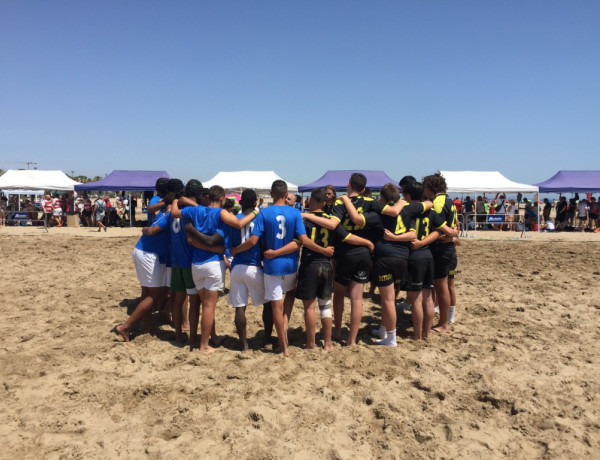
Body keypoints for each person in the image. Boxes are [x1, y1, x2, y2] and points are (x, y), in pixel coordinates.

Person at [230, 180, 332, 356]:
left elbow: (254, 241)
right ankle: (283, 332)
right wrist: (324, 251)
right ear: (286, 195)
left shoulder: (264, 213)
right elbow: (301, 241)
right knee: (289, 296)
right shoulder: (295, 213)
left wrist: (236, 250)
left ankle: (283, 347)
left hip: (271, 265)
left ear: (271, 193)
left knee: (275, 305)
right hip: (290, 264)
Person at [296, 188, 373, 350]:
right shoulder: (331, 221)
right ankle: (328, 343)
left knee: (309, 307)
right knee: (325, 305)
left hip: (310, 263)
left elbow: (299, 242)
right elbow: (348, 237)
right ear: (325, 203)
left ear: (310, 201)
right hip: (326, 264)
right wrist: (367, 242)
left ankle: (311, 343)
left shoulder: (304, 220)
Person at [171, 185, 228, 353]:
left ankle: (212, 337)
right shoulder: (220, 216)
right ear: (223, 198)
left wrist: (175, 200)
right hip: (212, 264)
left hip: (196, 264)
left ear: (208, 197)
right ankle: (204, 345)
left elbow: (175, 213)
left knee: (205, 304)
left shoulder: (195, 212)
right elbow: (216, 240)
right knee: (209, 307)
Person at [114, 195, 173, 341]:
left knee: (146, 292)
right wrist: (146, 230)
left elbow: (151, 219)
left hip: (141, 250)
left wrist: (145, 229)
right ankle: (126, 326)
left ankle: (148, 326)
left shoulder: (161, 213)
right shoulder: (169, 215)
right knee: (153, 296)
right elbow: (153, 231)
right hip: (149, 254)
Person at [422, 172, 459, 334]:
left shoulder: (436, 203)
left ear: (430, 188)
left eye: (425, 188)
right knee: (441, 286)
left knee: (440, 286)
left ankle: (443, 323)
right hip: (447, 248)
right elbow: (455, 225)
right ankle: (442, 320)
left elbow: (437, 227)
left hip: (440, 247)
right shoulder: (449, 201)